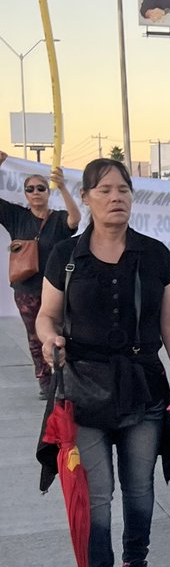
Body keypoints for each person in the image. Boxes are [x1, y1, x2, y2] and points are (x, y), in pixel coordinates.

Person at [35, 158, 170, 567]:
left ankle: (136, 561)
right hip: (83, 389)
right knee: (97, 493)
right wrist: (48, 338)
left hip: (143, 386)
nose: (115, 197)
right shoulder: (65, 255)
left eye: (123, 189)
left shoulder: (155, 255)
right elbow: (46, 315)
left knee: (140, 487)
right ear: (86, 198)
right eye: (104, 190)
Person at [0, 151, 80, 398]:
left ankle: (65, 376)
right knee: (35, 337)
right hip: (27, 289)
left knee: (63, 333)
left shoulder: (59, 219)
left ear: (48, 192)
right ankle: (45, 380)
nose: (36, 192)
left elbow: (75, 219)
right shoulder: (17, 216)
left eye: (41, 188)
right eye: (30, 189)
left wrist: (63, 187)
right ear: (25, 194)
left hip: (56, 288)